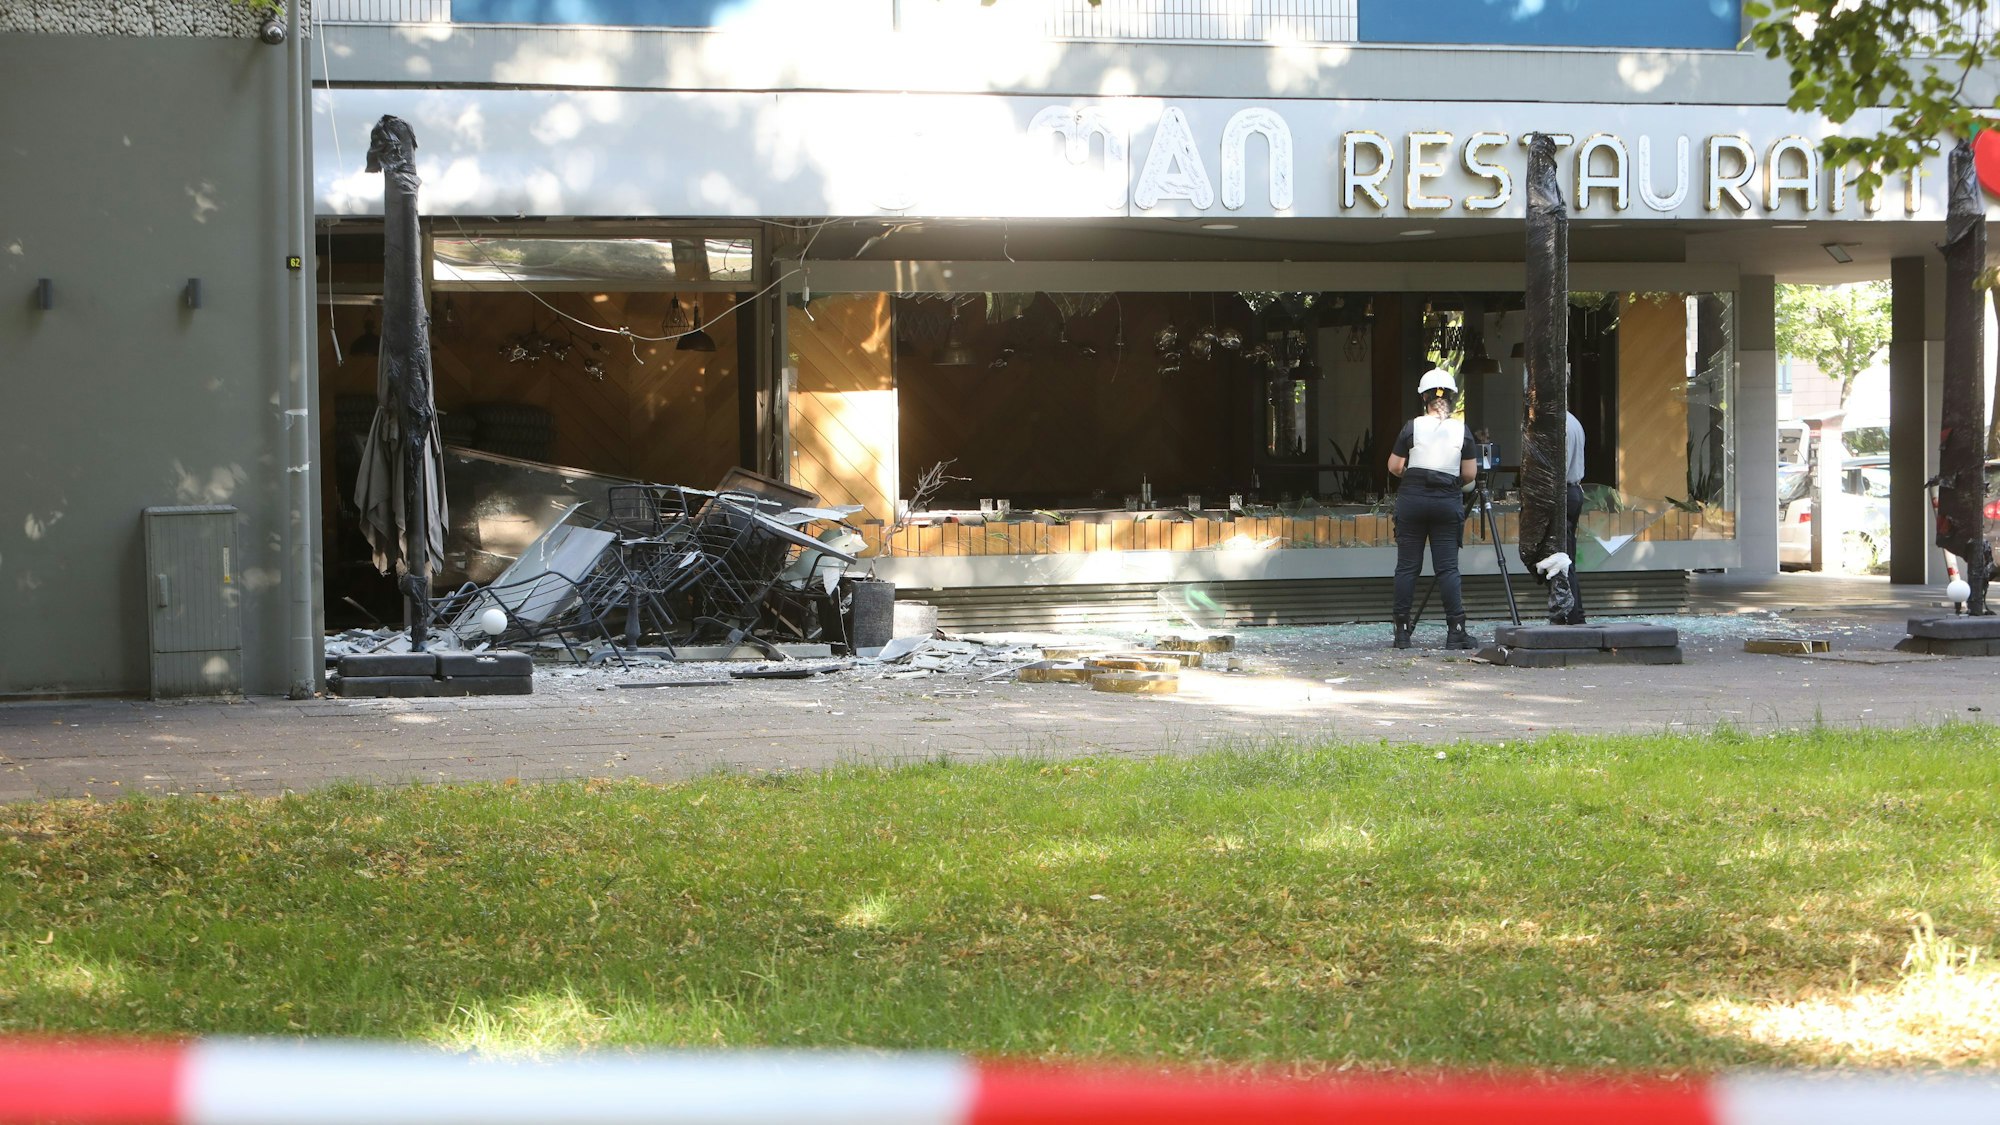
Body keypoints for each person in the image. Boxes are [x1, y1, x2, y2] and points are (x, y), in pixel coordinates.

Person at [1387, 368, 1477, 649]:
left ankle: (1402, 633)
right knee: (1448, 568)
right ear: (1451, 397)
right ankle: (1456, 631)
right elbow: (1470, 474)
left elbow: (1394, 466)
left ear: (1424, 398)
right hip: (1446, 500)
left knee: (1407, 568)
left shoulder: (1411, 427)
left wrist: (1415, 478)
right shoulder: (1462, 429)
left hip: (1412, 499)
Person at [1564, 409, 1587, 624]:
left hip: (1562, 493)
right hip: (1574, 490)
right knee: (1567, 556)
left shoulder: (1558, 425)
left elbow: (1556, 469)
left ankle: (1571, 614)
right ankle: (1573, 612)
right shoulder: (1573, 421)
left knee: (1562, 559)